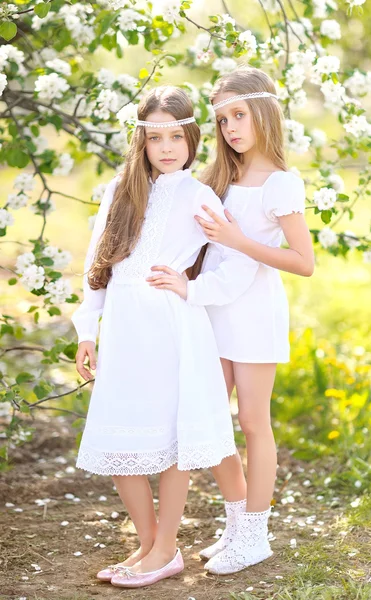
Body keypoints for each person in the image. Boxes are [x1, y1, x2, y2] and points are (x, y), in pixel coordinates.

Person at [71, 85, 258, 588]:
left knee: (177, 440)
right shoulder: (119, 191)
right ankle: (149, 543)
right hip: (127, 327)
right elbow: (98, 265)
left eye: (177, 136)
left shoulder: (199, 196)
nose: (168, 147)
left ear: (193, 138)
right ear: (143, 142)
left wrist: (191, 289)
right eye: (156, 138)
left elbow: (239, 261)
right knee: (119, 436)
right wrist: (88, 331)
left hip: (174, 326)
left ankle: (166, 546)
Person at [149, 67, 314, 575]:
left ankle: (256, 533)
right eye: (222, 120)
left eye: (238, 115)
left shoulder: (280, 183)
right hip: (209, 308)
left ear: (263, 113)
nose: (231, 129)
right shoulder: (221, 179)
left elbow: (303, 261)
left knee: (251, 422)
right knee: (214, 421)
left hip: (254, 314)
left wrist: (238, 239)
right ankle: (237, 524)